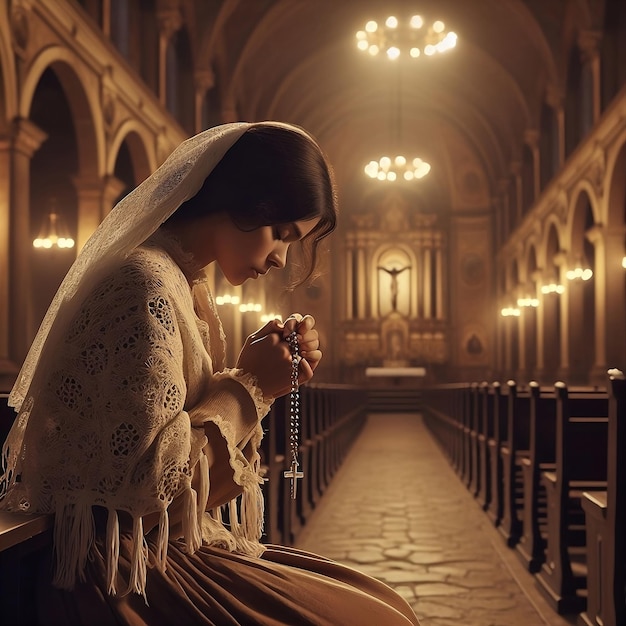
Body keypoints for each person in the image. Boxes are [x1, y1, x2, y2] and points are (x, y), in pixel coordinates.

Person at [0, 121, 420, 625]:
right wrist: (251, 387)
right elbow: (150, 498)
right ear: (244, 199)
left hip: (157, 548)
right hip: (120, 570)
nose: (281, 258)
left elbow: (187, 471)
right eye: (281, 233)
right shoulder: (145, 284)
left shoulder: (183, 283)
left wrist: (259, 375)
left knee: (383, 602)